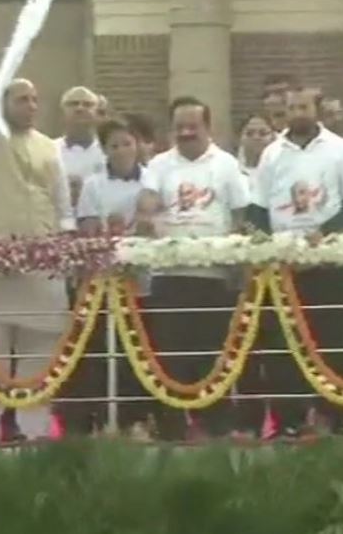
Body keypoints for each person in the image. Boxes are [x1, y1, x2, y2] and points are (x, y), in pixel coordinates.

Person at [0, 78, 74, 442]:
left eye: (35, 99)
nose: (31, 105)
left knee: (41, 353)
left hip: (40, 264)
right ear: (2, 104)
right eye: (22, 99)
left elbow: (62, 203)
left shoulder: (49, 147)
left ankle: (34, 432)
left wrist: (66, 244)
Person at [250, 86, 343, 437]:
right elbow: (258, 209)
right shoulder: (272, 153)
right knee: (284, 345)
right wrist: (275, 243)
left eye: (303, 106)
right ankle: (290, 419)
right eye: (291, 107)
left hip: (327, 263)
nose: (297, 113)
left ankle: (330, 416)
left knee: (328, 340)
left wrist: (325, 233)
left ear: (316, 110)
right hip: (285, 268)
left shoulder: (339, 150)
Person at [136, 97, 250, 440]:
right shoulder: (159, 164)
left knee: (213, 354)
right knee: (169, 355)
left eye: (193, 127)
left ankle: (215, 426)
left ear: (207, 128)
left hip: (214, 277)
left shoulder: (227, 165)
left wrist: (236, 258)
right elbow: (147, 202)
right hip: (170, 276)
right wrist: (145, 215)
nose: (186, 133)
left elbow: (240, 214)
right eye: (180, 127)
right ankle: (171, 427)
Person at [76, 117, 148, 437]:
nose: (121, 151)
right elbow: (88, 229)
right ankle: (104, 419)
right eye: (113, 145)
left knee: (141, 350)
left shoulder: (153, 179)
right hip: (105, 278)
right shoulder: (93, 185)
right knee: (106, 351)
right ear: (104, 150)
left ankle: (138, 418)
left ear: (138, 145)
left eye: (127, 143)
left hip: (144, 278)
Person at [54, 86, 105, 207]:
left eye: (87, 104)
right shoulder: (48, 149)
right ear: (62, 113)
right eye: (73, 104)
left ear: (97, 113)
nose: (80, 108)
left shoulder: (108, 152)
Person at [238, 113, 275, 192]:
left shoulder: (282, 172)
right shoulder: (231, 172)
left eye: (263, 133)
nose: (256, 137)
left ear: (274, 137)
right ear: (240, 138)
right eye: (249, 133)